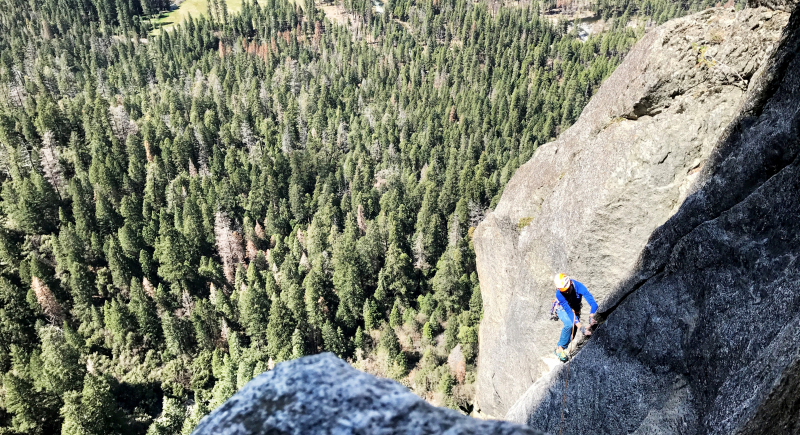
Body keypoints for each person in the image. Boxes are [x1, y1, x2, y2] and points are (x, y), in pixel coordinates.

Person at [553, 273, 598, 362]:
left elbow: (593, 303)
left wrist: (591, 316)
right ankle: (559, 349)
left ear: (570, 283)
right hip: (561, 308)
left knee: (572, 336)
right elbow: (569, 311)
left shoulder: (579, 286)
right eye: (563, 291)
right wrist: (581, 327)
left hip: (575, 309)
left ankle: (561, 347)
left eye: (567, 289)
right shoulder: (559, 293)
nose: (566, 292)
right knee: (570, 324)